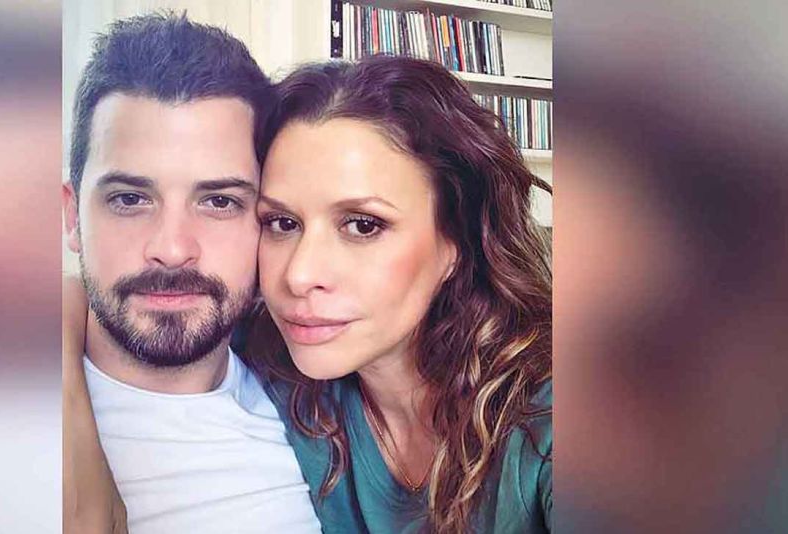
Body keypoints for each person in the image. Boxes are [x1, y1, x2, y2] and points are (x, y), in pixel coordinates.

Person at [66, 54, 552, 533]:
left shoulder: (554, 417)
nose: (299, 275)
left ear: (457, 242)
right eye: (282, 223)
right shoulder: (275, 361)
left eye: (363, 225)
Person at [61, 13, 321, 534]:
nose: (173, 249)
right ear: (72, 217)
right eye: (130, 199)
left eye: (219, 201)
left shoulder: (317, 404)